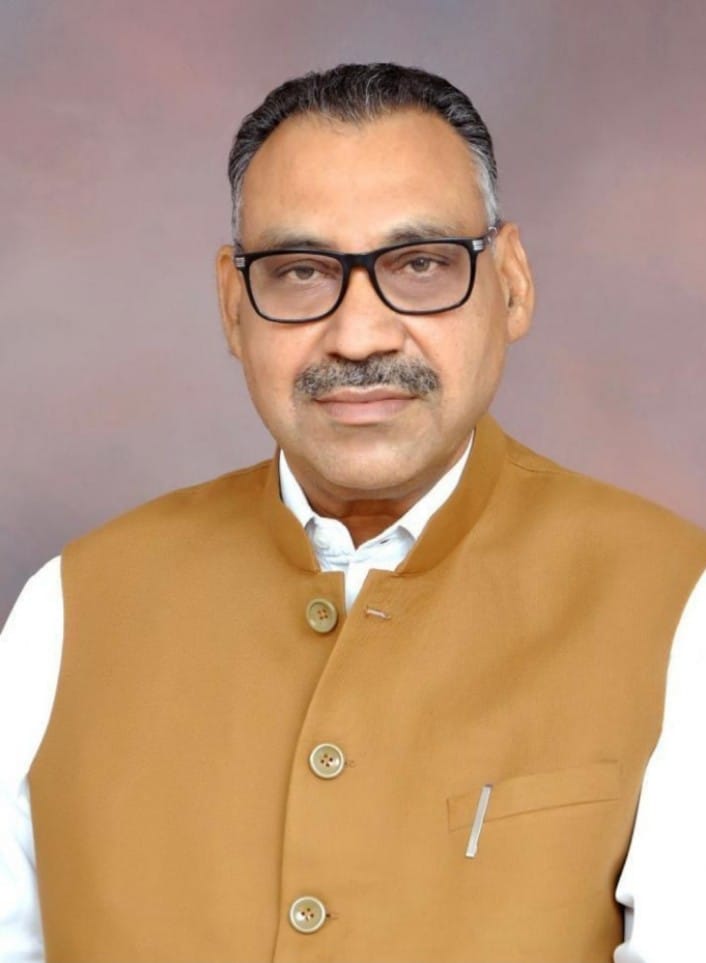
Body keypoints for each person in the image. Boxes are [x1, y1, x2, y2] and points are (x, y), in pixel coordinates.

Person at [1, 62, 705, 963]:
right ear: (233, 306)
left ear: (512, 283)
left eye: (421, 264)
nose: (360, 334)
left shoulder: (675, 604)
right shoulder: (67, 610)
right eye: (301, 272)